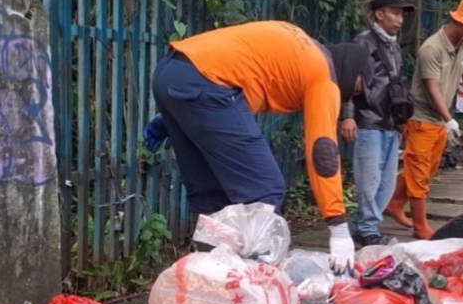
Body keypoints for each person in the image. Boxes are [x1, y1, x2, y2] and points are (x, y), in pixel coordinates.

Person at [146, 20, 372, 273]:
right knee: (264, 188)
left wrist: (175, 115)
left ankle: (208, 278)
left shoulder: (299, 46)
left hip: (171, 73)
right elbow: (323, 152)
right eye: (359, 88)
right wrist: (338, 225)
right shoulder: (323, 76)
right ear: (353, 71)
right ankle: (256, 283)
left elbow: (236, 74)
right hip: (206, 84)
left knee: (211, 194)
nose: (352, 96)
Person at [385, 0, 463, 239]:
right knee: (419, 171)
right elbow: (431, 87)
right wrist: (449, 119)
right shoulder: (432, 48)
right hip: (422, 117)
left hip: (439, 120)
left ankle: (394, 203)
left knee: (427, 169)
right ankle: (420, 226)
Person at [340, 0, 416, 247]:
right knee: (369, 181)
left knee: (385, 184)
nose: (400, 20)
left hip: (389, 122)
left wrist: (401, 119)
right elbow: (349, 80)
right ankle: (368, 229)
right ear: (379, 14)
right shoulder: (364, 42)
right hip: (368, 120)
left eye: (401, 14)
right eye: (395, 13)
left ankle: (358, 226)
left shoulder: (393, 45)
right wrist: (348, 117)